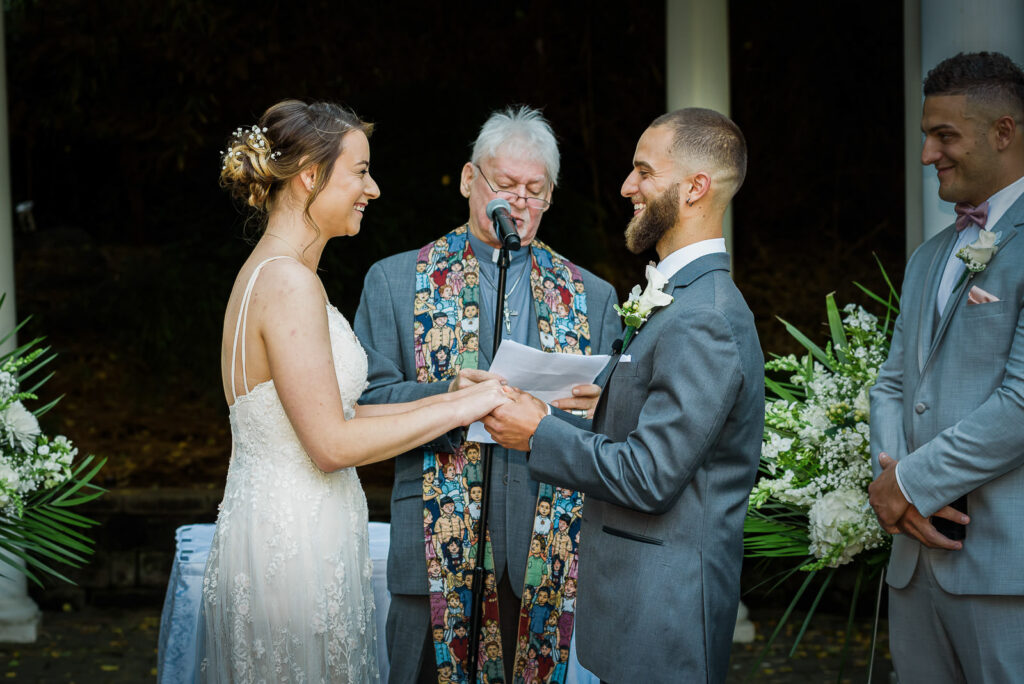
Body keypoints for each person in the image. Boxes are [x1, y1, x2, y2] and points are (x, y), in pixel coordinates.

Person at [196, 99, 510, 682]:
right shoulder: (288, 282)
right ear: (311, 176)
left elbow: (334, 411)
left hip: (286, 526)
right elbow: (331, 444)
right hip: (294, 546)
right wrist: (467, 409)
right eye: (360, 171)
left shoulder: (274, 271)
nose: (374, 189)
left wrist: (449, 395)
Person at [484, 108, 762, 683]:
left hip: (664, 617)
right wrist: (557, 415)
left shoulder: (705, 317)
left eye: (643, 171)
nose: (626, 187)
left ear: (695, 188)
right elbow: (638, 439)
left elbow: (650, 476)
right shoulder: (678, 300)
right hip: (632, 608)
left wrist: (540, 431)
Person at [353, 105, 621, 682]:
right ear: (469, 180)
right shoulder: (395, 281)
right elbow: (365, 406)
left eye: (535, 189)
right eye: (504, 185)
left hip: (547, 547)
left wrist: (591, 407)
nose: (518, 203)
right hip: (435, 545)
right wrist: (448, 394)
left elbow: (614, 424)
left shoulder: (592, 296)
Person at [868, 51, 1024, 683]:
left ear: (1004, 132)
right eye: (926, 136)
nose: (928, 153)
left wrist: (910, 484)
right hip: (915, 566)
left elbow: (1021, 403)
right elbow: (894, 383)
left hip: (1002, 566)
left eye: (945, 135)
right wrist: (894, 486)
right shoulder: (930, 255)